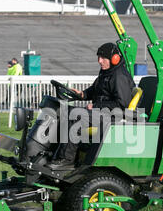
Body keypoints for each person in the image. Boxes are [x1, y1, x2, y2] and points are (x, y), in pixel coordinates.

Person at [47, 42, 135, 170]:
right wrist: (83, 94)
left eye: (103, 58)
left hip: (113, 116)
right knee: (64, 112)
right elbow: (96, 89)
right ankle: (55, 152)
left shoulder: (119, 76)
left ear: (114, 59)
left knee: (75, 116)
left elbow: (122, 105)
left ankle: (66, 160)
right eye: (98, 57)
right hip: (104, 112)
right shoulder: (107, 72)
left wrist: (96, 106)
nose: (99, 61)